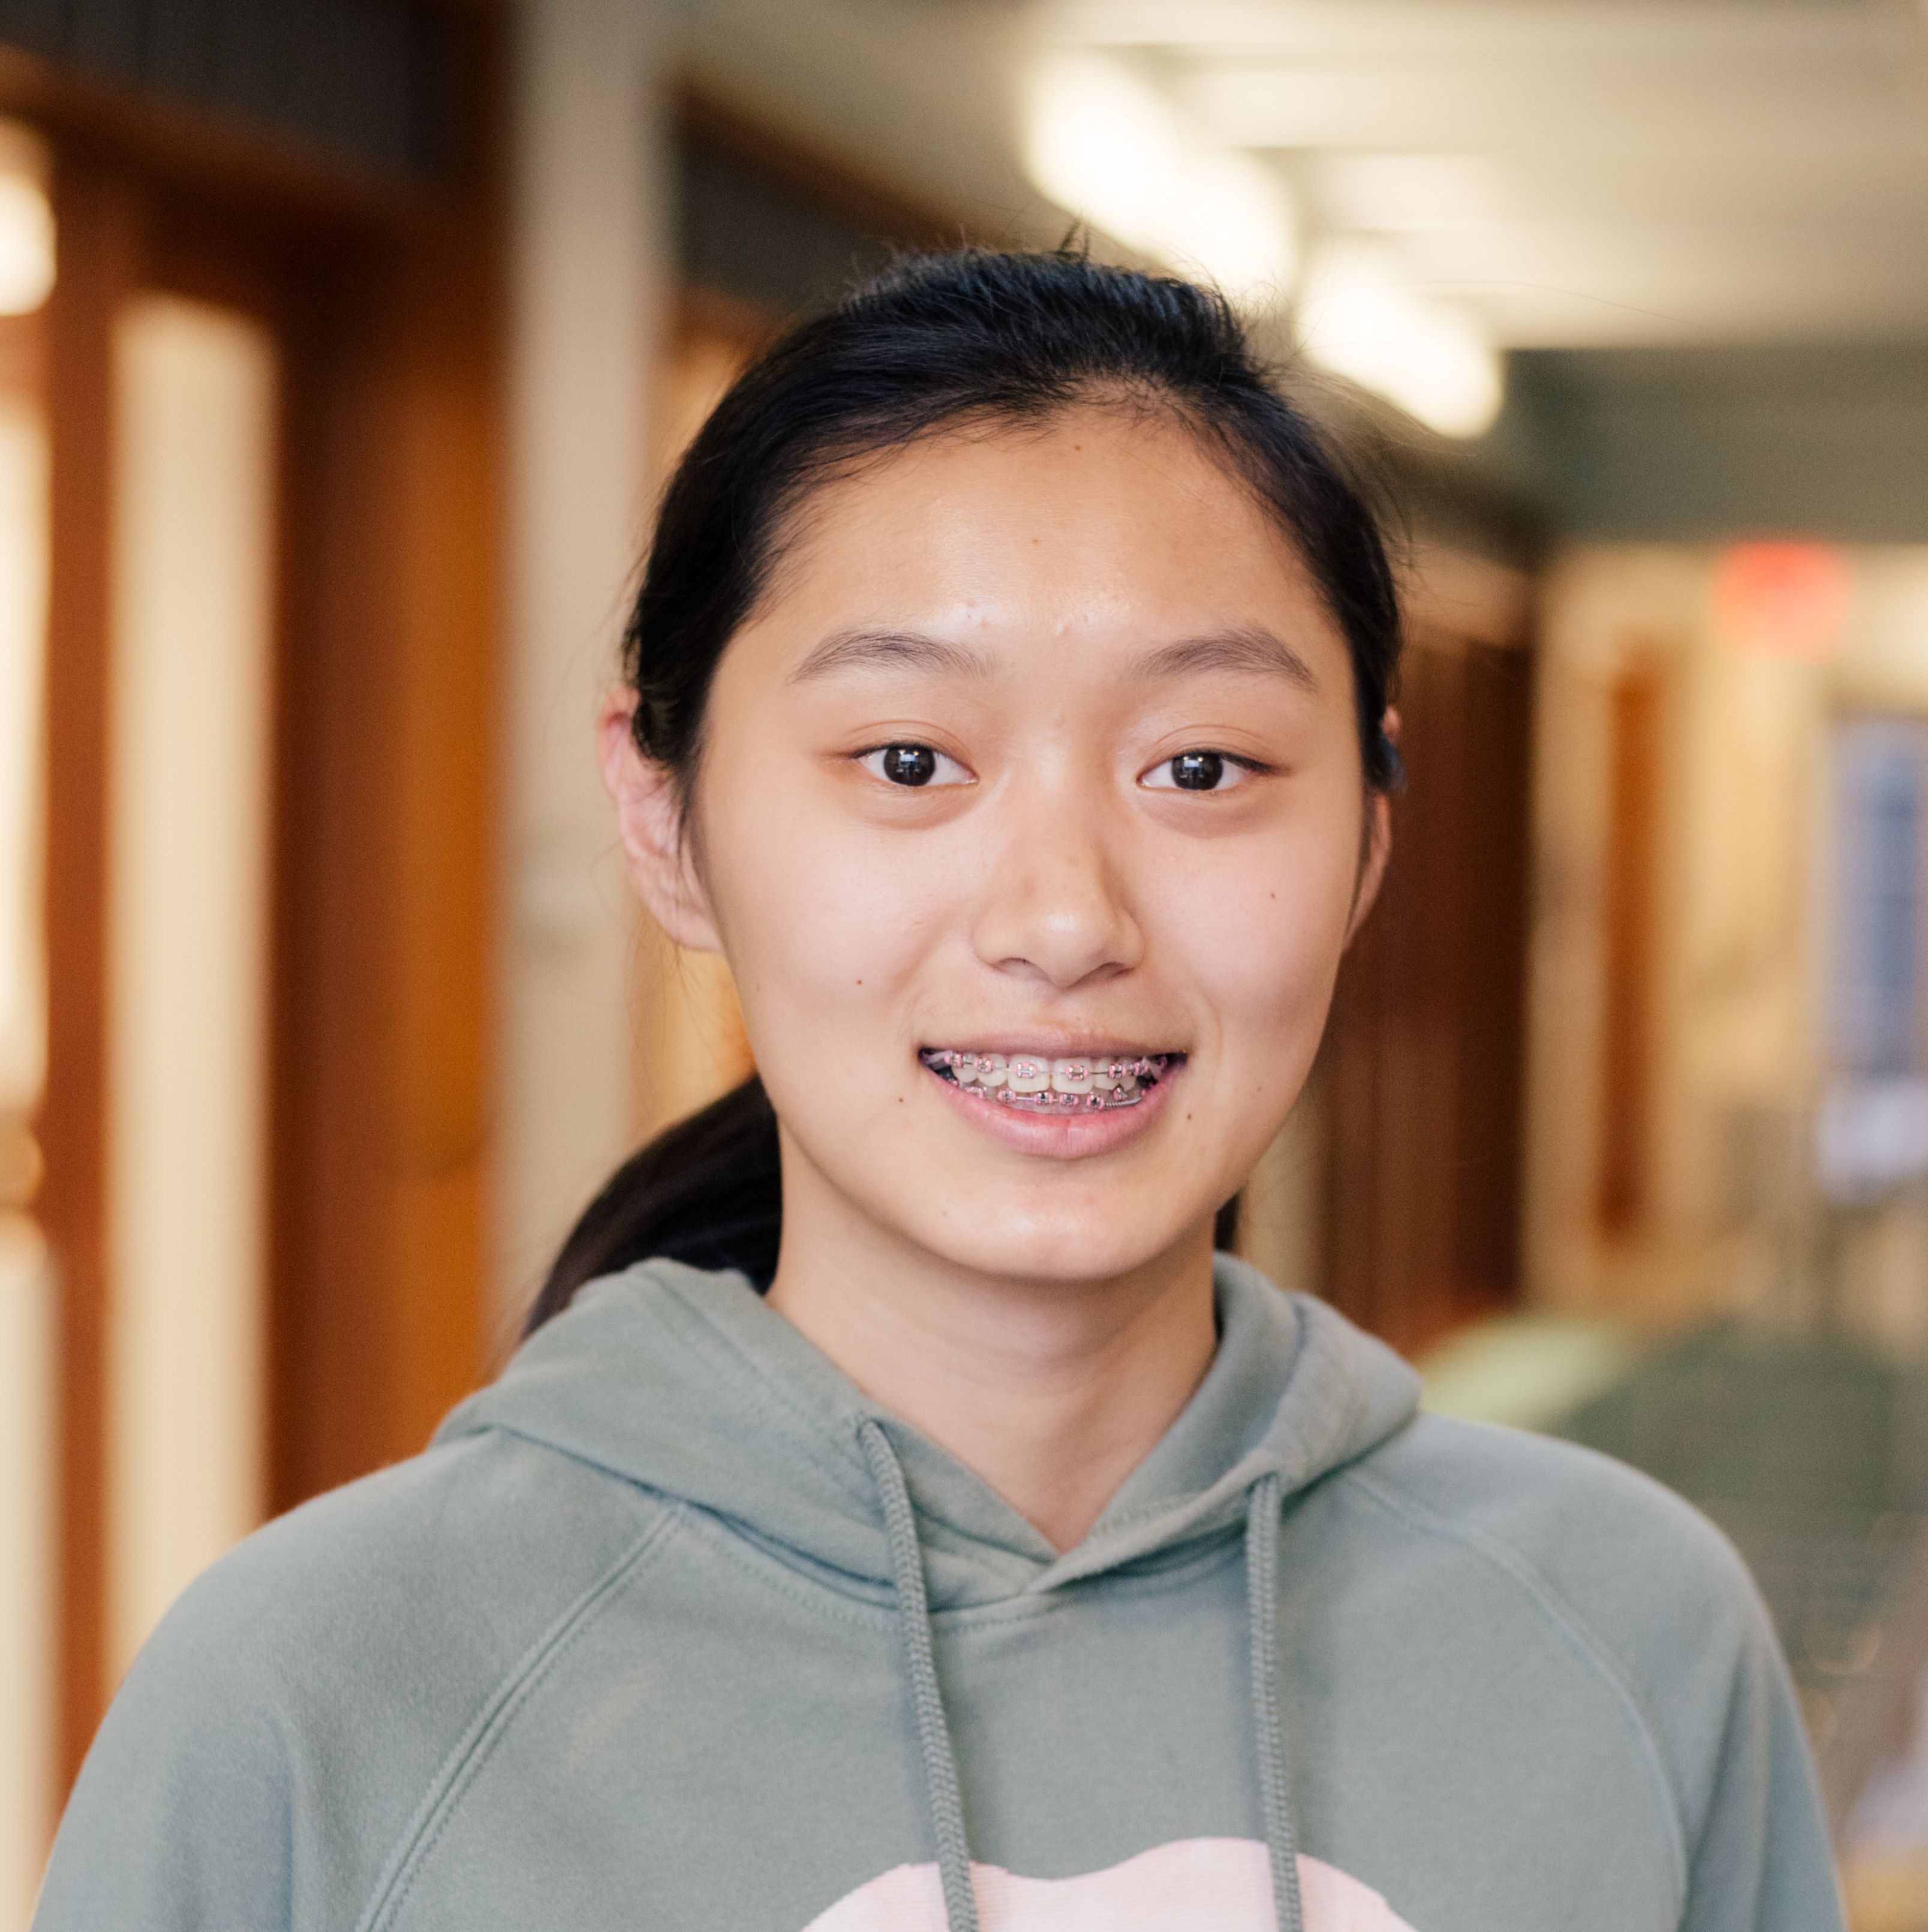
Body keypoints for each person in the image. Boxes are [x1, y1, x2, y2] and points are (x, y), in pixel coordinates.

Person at [35, 250, 1840, 1932]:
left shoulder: (1630, 1637)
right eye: (908, 759)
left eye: (1202, 764)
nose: (1064, 919)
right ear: (664, 817)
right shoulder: (322, 1691)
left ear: (1371, 836)